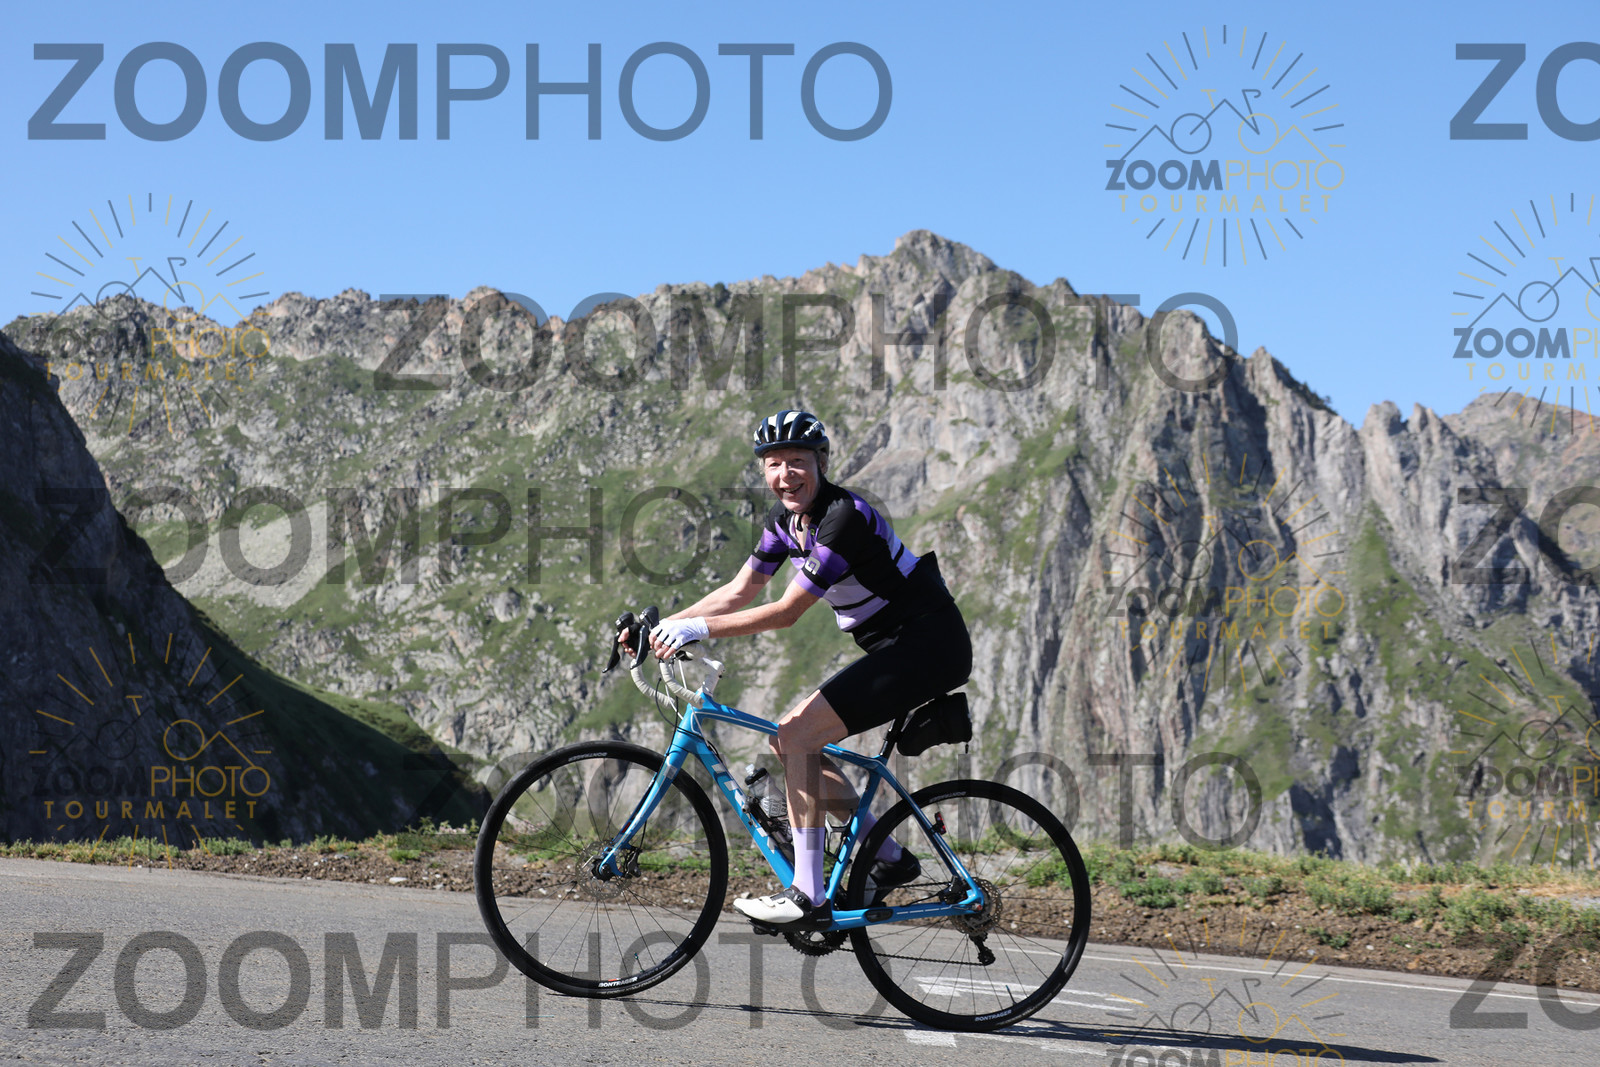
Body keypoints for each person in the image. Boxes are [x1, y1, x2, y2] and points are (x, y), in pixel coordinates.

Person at [642, 409, 972, 930]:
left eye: (797, 461)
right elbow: (739, 591)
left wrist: (696, 630)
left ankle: (808, 896)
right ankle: (888, 857)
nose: (785, 475)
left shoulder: (844, 517)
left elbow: (787, 612)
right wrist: (661, 627)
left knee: (798, 736)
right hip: (895, 646)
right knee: (789, 741)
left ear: (821, 463)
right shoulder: (785, 523)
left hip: (928, 644)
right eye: (773, 464)